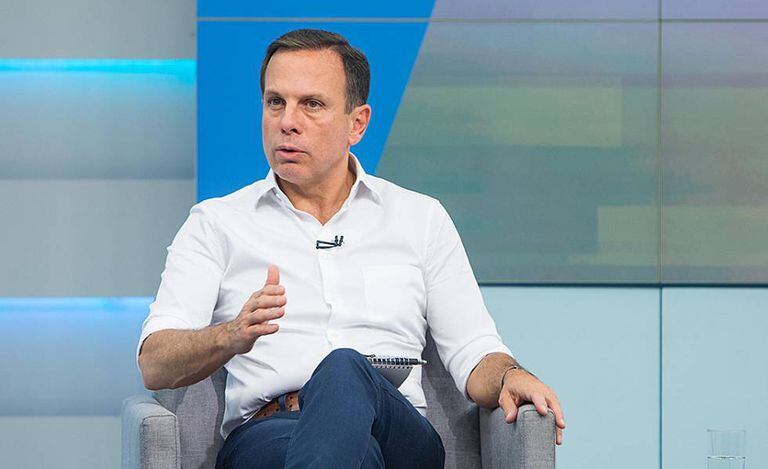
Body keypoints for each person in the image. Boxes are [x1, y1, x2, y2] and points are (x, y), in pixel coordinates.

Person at [137, 28, 566, 468]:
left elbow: (473, 350)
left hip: (398, 434)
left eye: (312, 104)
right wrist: (230, 335)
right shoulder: (217, 223)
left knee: (344, 368)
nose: (287, 121)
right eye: (275, 102)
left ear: (357, 123)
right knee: (357, 456)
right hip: (271, 435)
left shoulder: (419, 218)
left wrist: (510, 374)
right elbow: (154, 363)